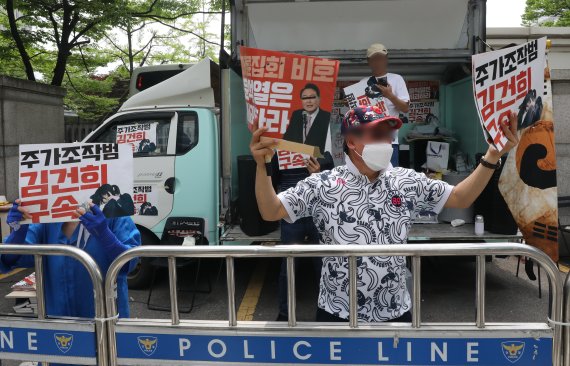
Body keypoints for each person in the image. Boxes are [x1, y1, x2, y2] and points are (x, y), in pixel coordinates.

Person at [250, 105, 518, 323]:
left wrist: (492, 155)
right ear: (351, 141)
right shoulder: (324, 183)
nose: (387, 142)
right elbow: (271, 210)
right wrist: (262, 167)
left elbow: (460, 197)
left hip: (394, 313)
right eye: (376, 135)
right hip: (337, 313)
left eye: (388, 135)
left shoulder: (405, 180)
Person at [0, 200, 140, 322]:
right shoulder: (44, 217)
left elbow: (130, 262)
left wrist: (105, 234)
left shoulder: (113, 211)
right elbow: (10, 258)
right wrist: (17, 232)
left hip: (106, 320)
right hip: (58, 322)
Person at [274, 83, 335, 321]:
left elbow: (332, 160)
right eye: (305, 98)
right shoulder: (288, 126)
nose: (309, 101)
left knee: (323, 265)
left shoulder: (326, 123)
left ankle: (326, 313)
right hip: (291, 204)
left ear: (319, 99)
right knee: (288, 265)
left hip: (318, 202)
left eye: (312, 97)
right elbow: (274, 169)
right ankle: (283, 313)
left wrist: (321, 168)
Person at [363, 43, 410, 167]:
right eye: (374, 58)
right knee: (370, 179)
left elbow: (405, 108)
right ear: (368, 61)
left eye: (381, 57)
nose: (378, 61)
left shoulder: (396, 79)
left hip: (390, 140)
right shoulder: (363, 83)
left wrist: (390, 95)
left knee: (390, 180)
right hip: (368, 142)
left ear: (386, 59)